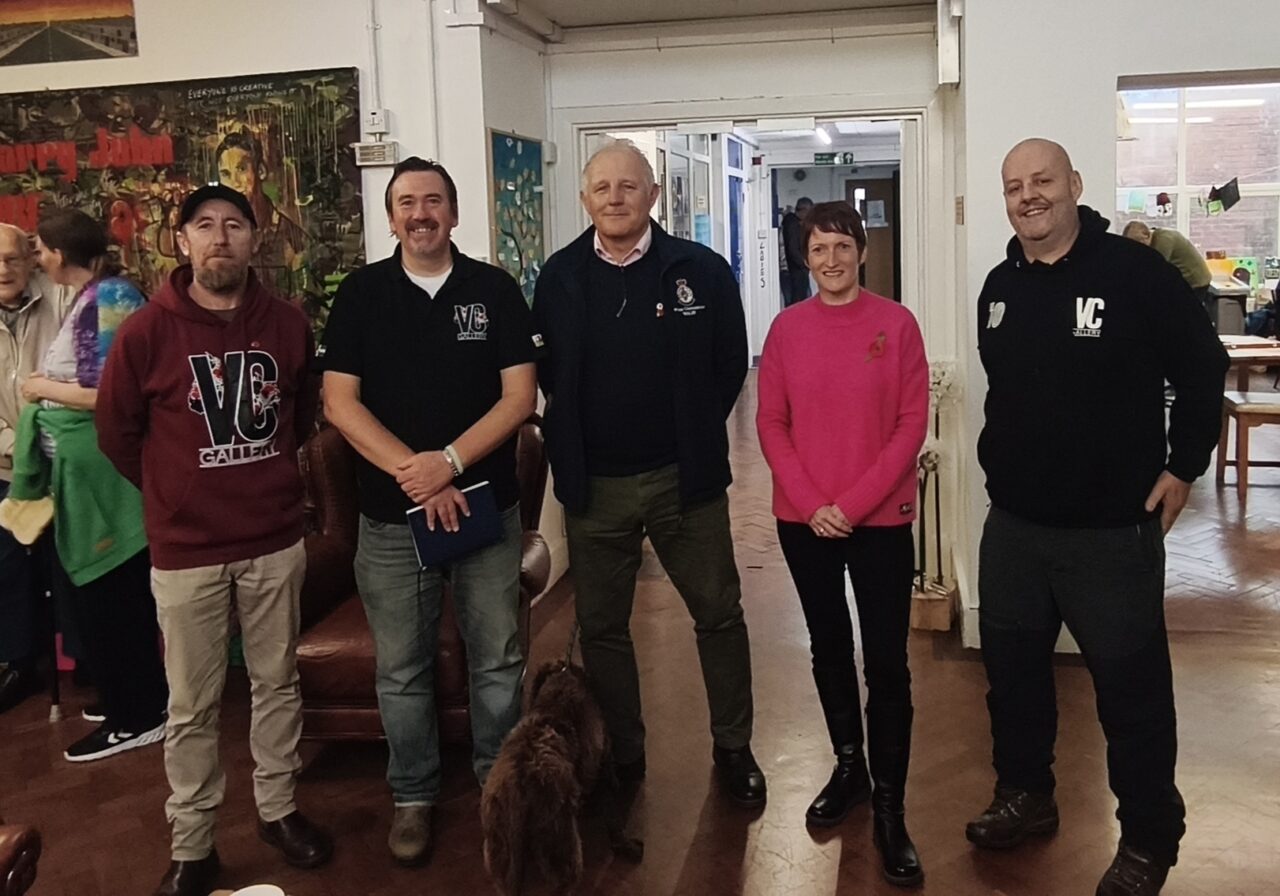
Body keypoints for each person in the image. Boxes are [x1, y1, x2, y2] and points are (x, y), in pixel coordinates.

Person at [969, 138, 1228, 896]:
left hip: (1111, 535)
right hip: (1014, 528)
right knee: (1013, 681)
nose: (1028, 195)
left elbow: (1203, 364)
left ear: (1074, 185)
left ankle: (1150, 837)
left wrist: (1185, 465)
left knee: (1132, 695)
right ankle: (1027, 795)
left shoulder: (1135, 273)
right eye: (1014, 185)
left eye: (1042, 180)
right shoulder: (998, 284)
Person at [97, 185, 332, 896]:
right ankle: (193, 843)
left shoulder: (288, 326)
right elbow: (118, 433)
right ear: (182, 240)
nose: (220, 238)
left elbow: (299, 417)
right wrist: (176, 495)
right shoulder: (145, 334)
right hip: (187, 552)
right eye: (205, 226)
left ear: (254, 240)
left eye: (234, 225)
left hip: (272, 540)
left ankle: (278, 810)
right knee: (192, 703)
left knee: (276, 684)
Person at [532, 139, 764, 807]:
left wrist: (689, 430)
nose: (614, 197)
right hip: (594, 487)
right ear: (584, 199)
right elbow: (547, 373)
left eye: (628, 186)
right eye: (601, 187)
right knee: (602, 628)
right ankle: (622, 752)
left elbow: (729, 365)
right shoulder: (559, 278)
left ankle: (733, 745)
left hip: (682, 481)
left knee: (718, 613)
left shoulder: (702, 271)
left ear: (653, 194)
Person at [320, 157, 536, 866]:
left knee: (498, 660)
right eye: (406, 202)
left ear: (454, 212)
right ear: (390, 218)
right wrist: (417, 475)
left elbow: (518, 400)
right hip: (390, 520)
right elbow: (339, 403)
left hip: (485, 509)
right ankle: (412, 794)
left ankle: (497, 787)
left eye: (434, 200)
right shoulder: (361, 295)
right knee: (401, 668)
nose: (421, 213)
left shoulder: (495, 290)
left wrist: (449, 463)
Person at [756, 200, 928, 886]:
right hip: (803, 523)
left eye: (841, 246)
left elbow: (910, 425)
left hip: (881, 520)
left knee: (887, 663)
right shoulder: (786, 330)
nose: (830, 259)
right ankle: (849, 766)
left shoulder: (897, 325)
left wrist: (850, 505)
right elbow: (771, 423)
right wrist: (811, 504)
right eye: (818, 249)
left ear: (861, 250)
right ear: (806, 257)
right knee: (828, 646)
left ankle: (891, 808)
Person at [7, 209, 169, 763]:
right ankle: (126, 695)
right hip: (80, 473)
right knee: (97, 599)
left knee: (114, 595)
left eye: (41, 248)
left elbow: (111, 395)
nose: (37, 258)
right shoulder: (84, 297)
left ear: (61, 251)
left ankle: (140, 712)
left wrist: (40, 387)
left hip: (105, 480)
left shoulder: (115, 298)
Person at [0, 223, 70, 714]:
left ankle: (89, 653)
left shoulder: (64, 301)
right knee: (4, 550)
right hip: (4, 462)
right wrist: (19, 448)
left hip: (65, 455)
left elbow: (85, 378)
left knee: (78, 548)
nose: (2, 270)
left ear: (31, 258)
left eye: (11, 258)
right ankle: (17, 660)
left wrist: (48, 444)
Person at [216, 129, 307, 296]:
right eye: (225, 174)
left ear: (261, 171)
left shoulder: (289, 235)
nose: (234, 182)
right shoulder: (216, 238)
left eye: (241, 169)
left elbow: (305, 298)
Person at [1120, 221, 1212, 306]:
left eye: (1138, 245)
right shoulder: (1155, 238)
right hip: (1186, 281)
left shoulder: (1163, 241)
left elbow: (1156, 272)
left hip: (1195, 282)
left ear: (1146, 235)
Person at [781, 196, 814, 305]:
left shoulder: (790, 222)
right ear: (803, 210)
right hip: (795, 271)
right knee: (798, 302)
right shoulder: (793, 225)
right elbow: (793, 249)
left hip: (794, 269)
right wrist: (805, 264)